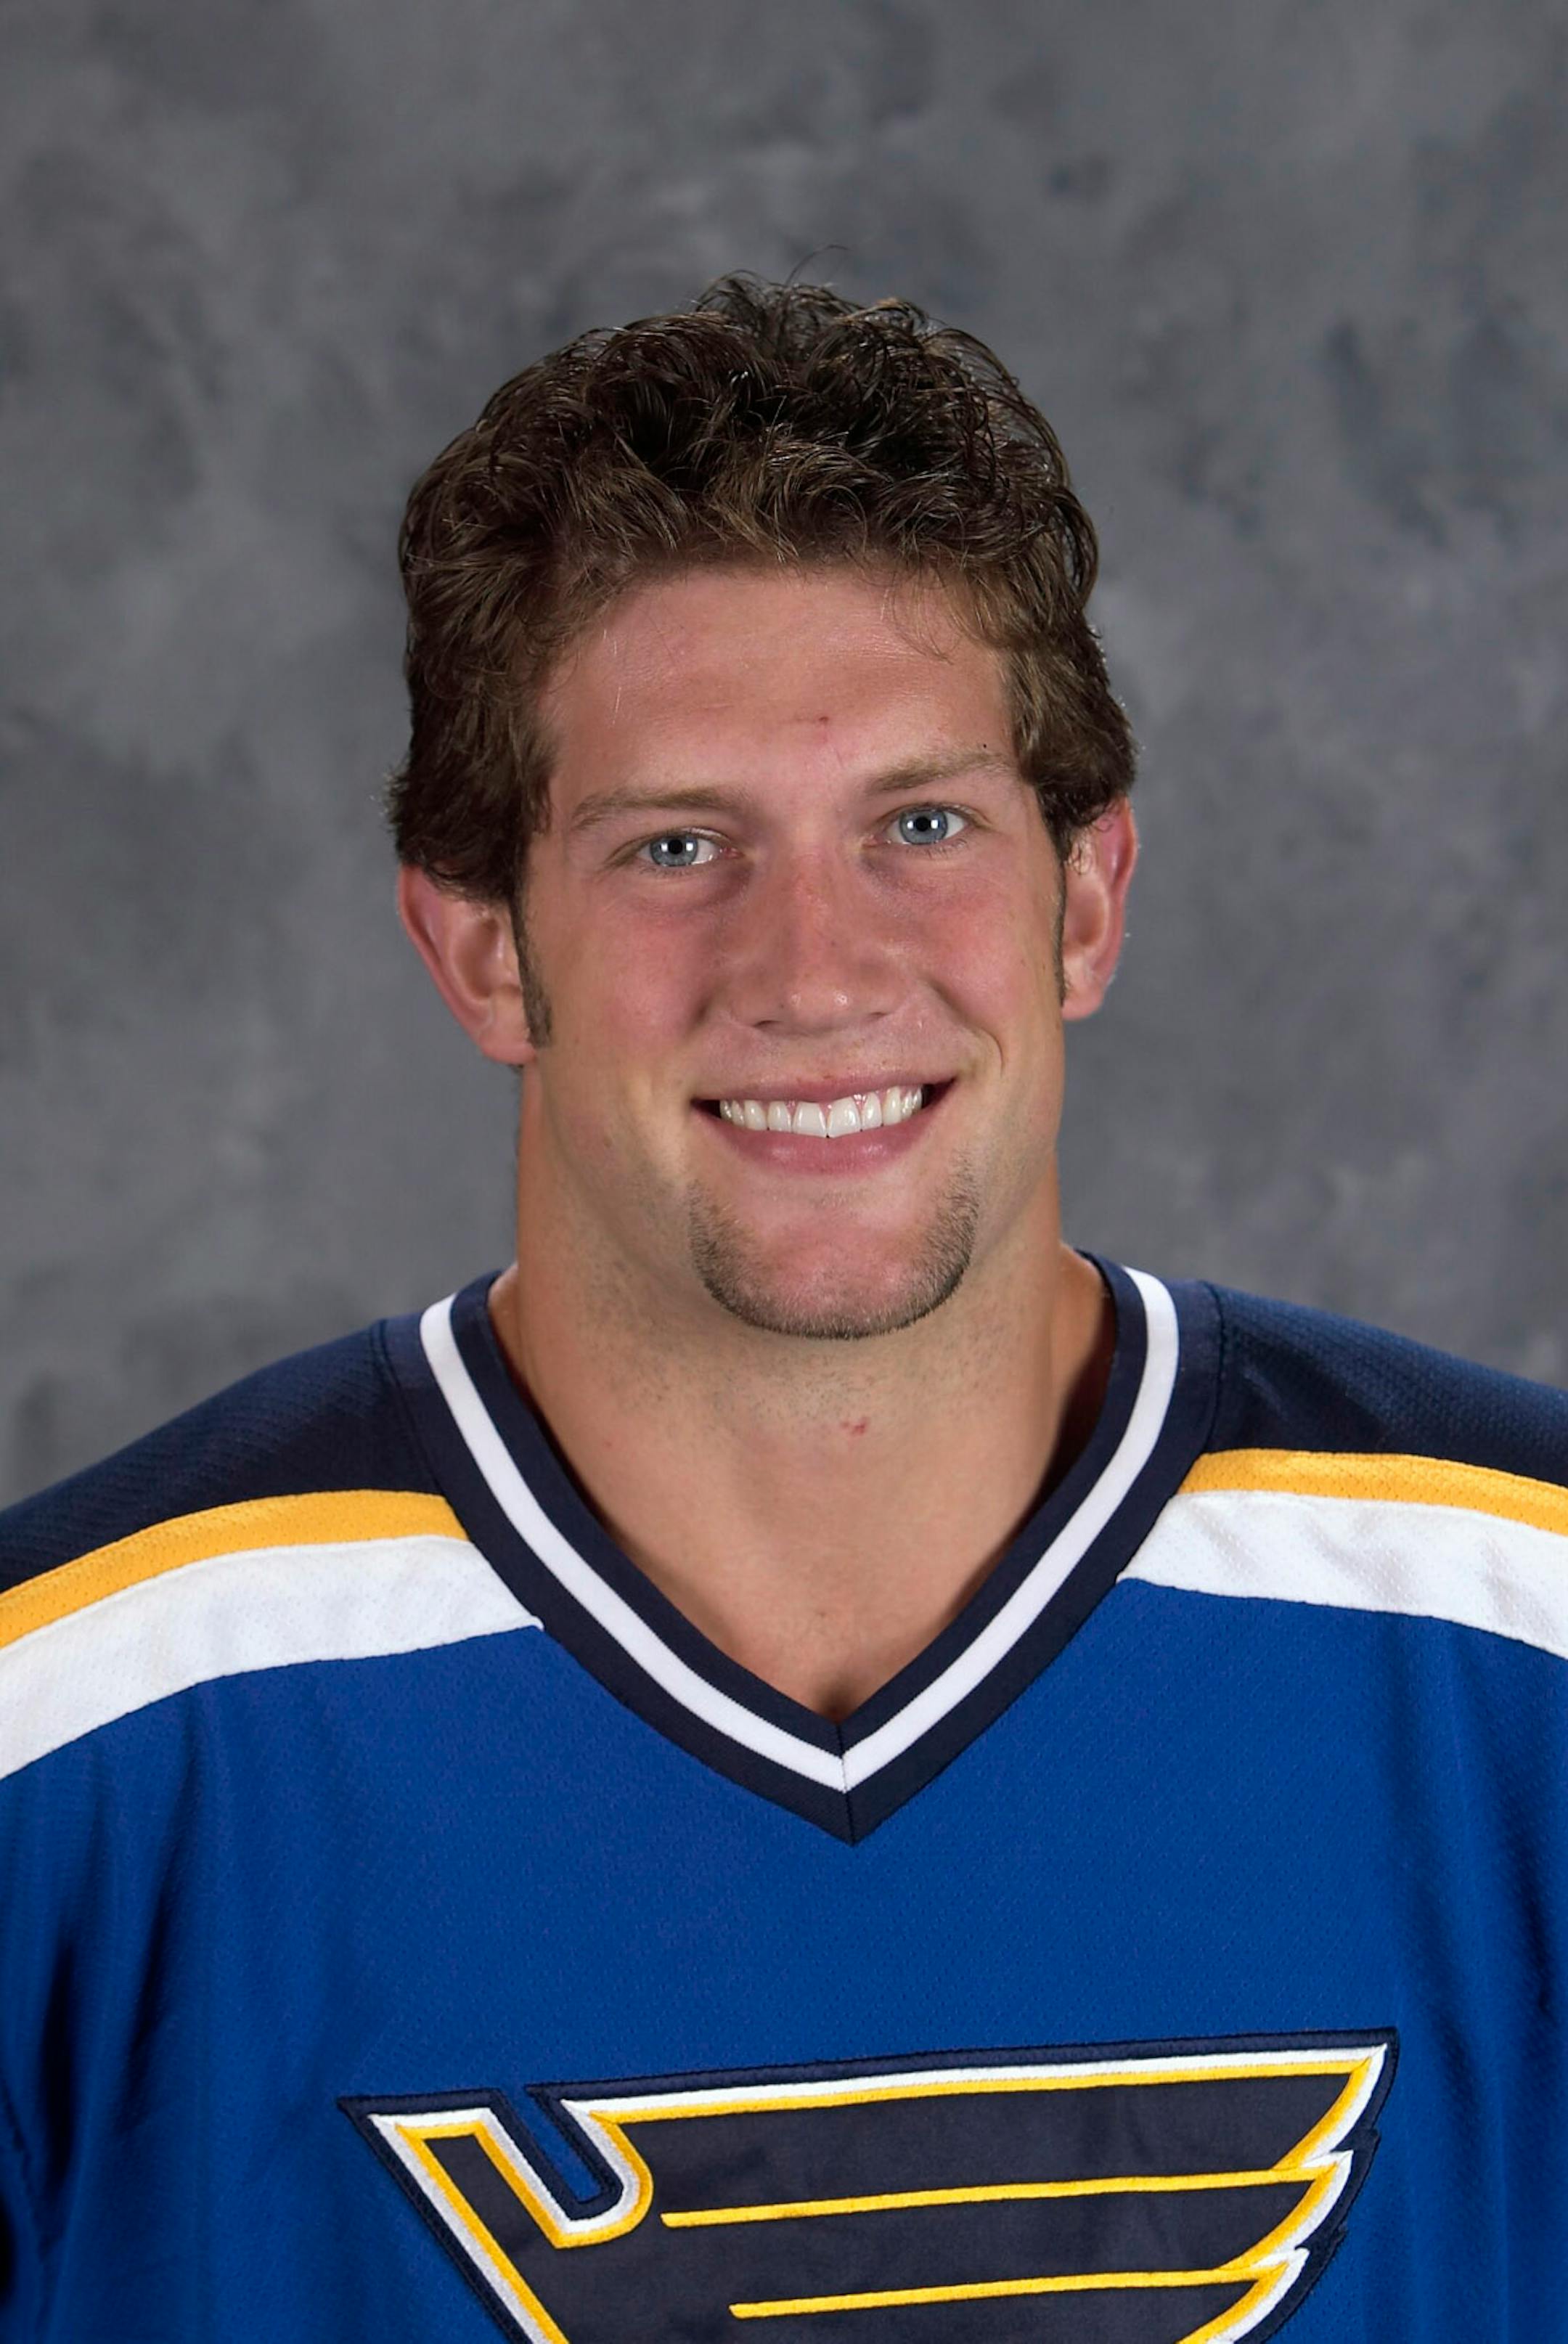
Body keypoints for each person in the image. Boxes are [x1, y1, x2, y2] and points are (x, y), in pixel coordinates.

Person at [1, 277, 1564, 2344]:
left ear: (1085, 900)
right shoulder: (81, 1736)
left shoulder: (1516, 1654)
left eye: (921, 825)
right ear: (480, 953)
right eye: (676, 846)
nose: (814, 969)